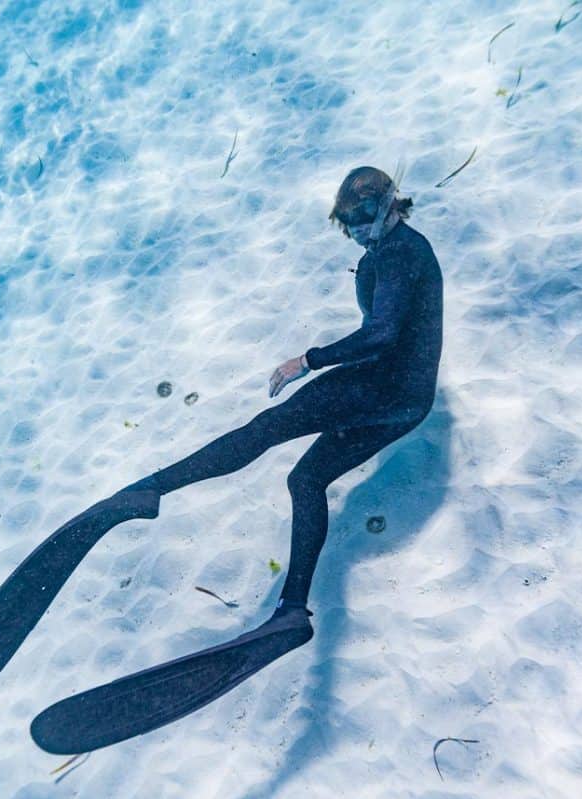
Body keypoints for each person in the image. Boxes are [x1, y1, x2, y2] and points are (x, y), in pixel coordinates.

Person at [120, 165, 444, 623]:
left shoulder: (395, 256)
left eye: (366, 214)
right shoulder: (394, 249)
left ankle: (151, 489)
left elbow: (382, 334)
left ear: (391, 204)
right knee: (305, 481)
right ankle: (292, 607)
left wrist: (307, 361)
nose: (355, 229)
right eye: (347, 219)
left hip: (379, 387)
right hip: (410, 404)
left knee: (267, 428)